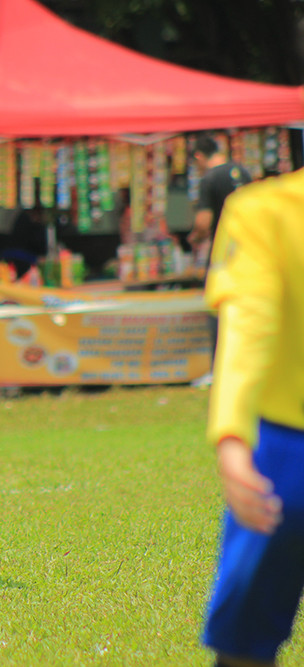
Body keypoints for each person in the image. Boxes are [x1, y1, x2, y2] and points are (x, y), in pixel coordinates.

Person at [200, 165, 304, 666]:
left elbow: (247, 330)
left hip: (286, 453)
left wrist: (232, 436)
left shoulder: (261, 209)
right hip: (284, 451)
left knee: (244, 648)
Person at [188, 134, 251, 388]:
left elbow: (204, 221)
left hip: (224, 254)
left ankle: (219, 370)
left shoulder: (209, 178)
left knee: (218, 309)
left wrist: (194, 238)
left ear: (199, 157)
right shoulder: (243, 172)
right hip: (250, 250)